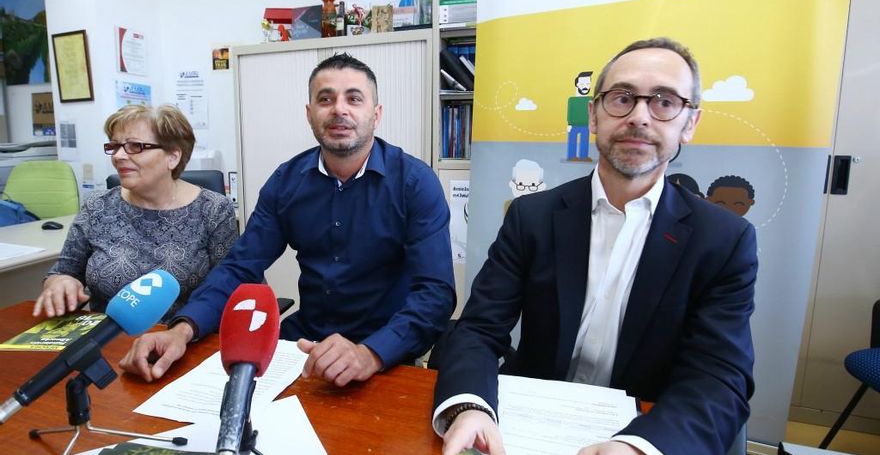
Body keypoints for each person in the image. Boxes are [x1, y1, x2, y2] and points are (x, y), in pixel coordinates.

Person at [431, 38, 757, 455]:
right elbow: (478, 329)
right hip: (527, 428)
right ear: (594, 115)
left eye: (663, 102)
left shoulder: (724, 240)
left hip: (643, 428)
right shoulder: (532, 216)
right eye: (621, 98)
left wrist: (640, 446)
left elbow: (718, 376)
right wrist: (471, 408)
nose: (639, 116)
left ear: (689, 123)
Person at [120, 53, 456, 387]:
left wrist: (371, 353)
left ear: (376, 114)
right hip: (305, 344)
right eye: (325, 99)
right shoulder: (287, 182)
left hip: (384, 349)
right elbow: (241, 267)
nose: (339, 109)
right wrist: (183, 330)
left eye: (354, 98)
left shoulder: (413, 183)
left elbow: (435, 293)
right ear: (310, 114)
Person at [35, 104, 238, 320]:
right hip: (108, 342)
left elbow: (231, 286)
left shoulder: (213, 210)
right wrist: (60, 283)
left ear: (173, 157)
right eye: (115, 146)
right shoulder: (97, 206)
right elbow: (62, 271)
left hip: (183, 340)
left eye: (135, 146)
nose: (118, 156)